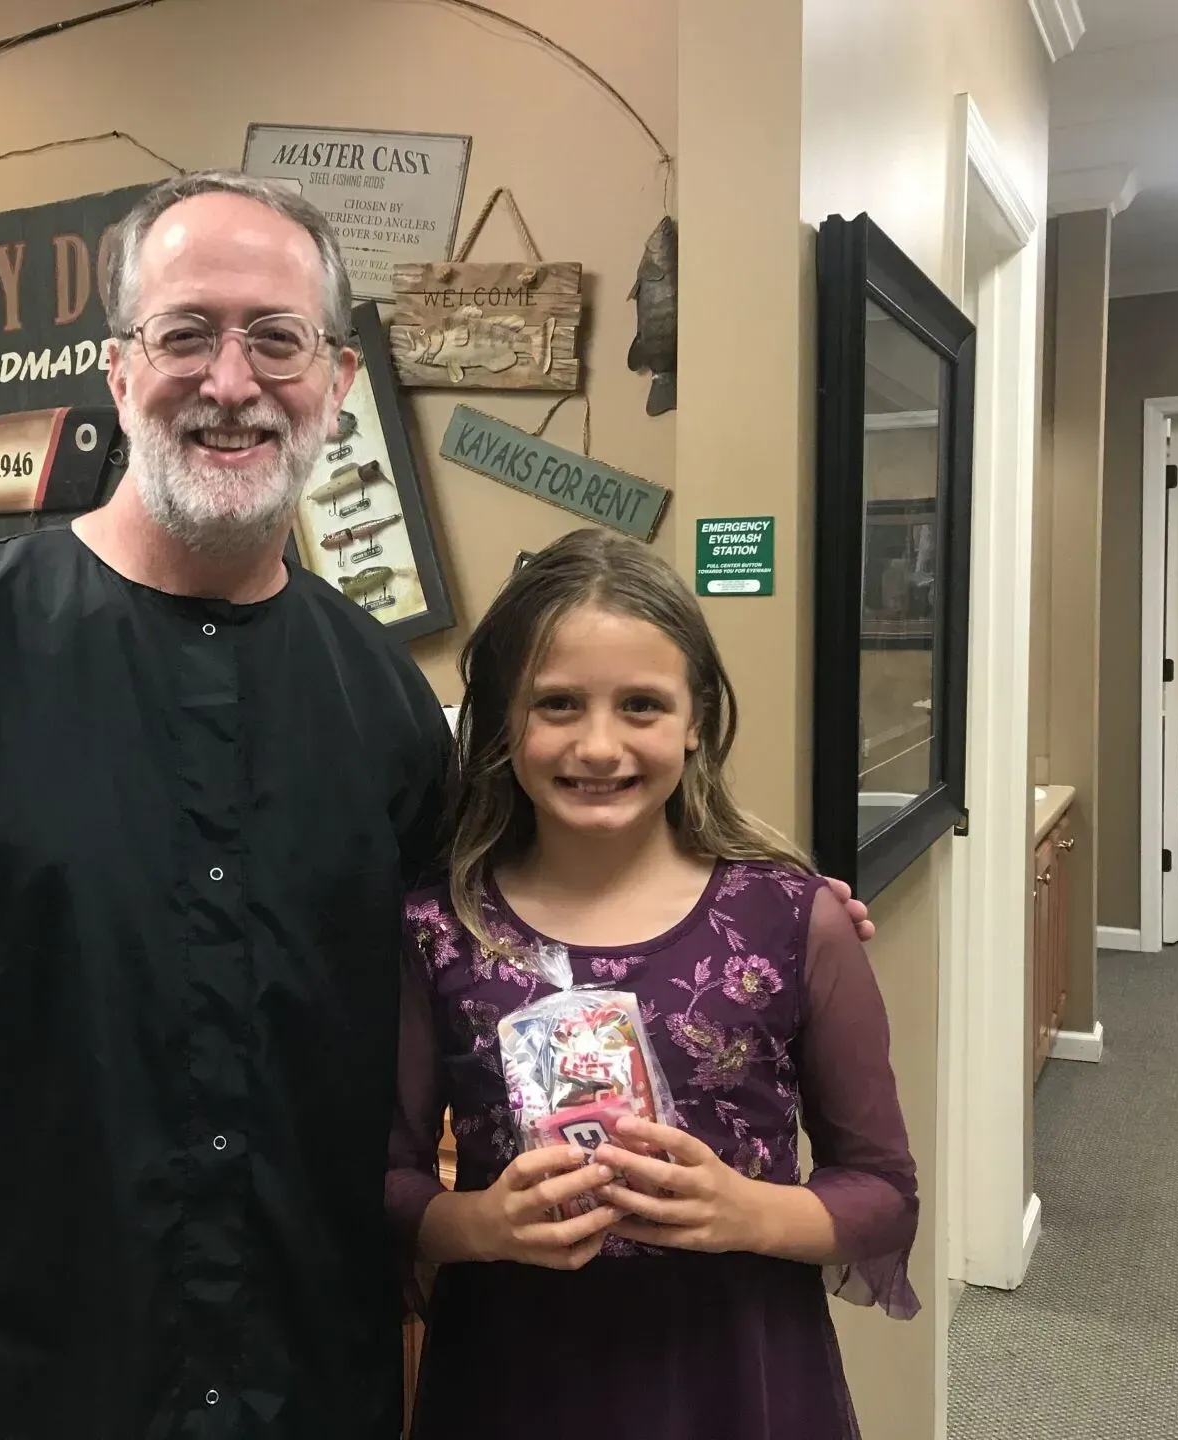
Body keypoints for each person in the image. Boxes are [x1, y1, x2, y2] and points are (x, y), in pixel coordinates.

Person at [0, 172, 875, 1439]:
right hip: (0, 1380)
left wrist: (755, 903)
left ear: (335, 381)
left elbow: (523, 914)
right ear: (115, 369)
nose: (231, 380)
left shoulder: (380, 703)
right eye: (187, 333)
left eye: (276, 339)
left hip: (305, 1378)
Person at [388, 528, 917, 1438]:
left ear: (696, 718)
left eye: (641, 705)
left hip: (736, 1376)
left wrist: (747, 1210)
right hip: (515, 1375)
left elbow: (881, 1189)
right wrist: (479, 1225)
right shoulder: (441, 930)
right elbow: (382, 1181)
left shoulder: (790, 921)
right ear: (504, 721)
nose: (599, 745)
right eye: (557, 705)